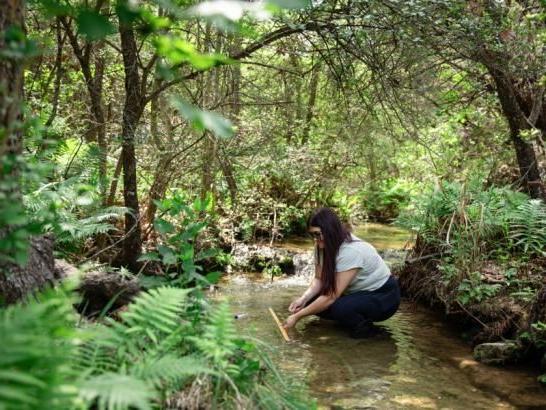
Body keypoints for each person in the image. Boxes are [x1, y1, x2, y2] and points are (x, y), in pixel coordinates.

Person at [283, 207, 400, 338]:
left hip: (384, 296)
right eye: (312, 235)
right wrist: (303, 299)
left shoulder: (351, 251)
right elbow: (319, 279)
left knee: (341, 308)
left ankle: (372, 333)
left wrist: (297, 317)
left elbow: (331, 296)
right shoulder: (321, 247)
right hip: (358, 293)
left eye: (317, 234)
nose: (315, 239)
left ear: (330, 230)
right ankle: (347, 321)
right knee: (310, 302)